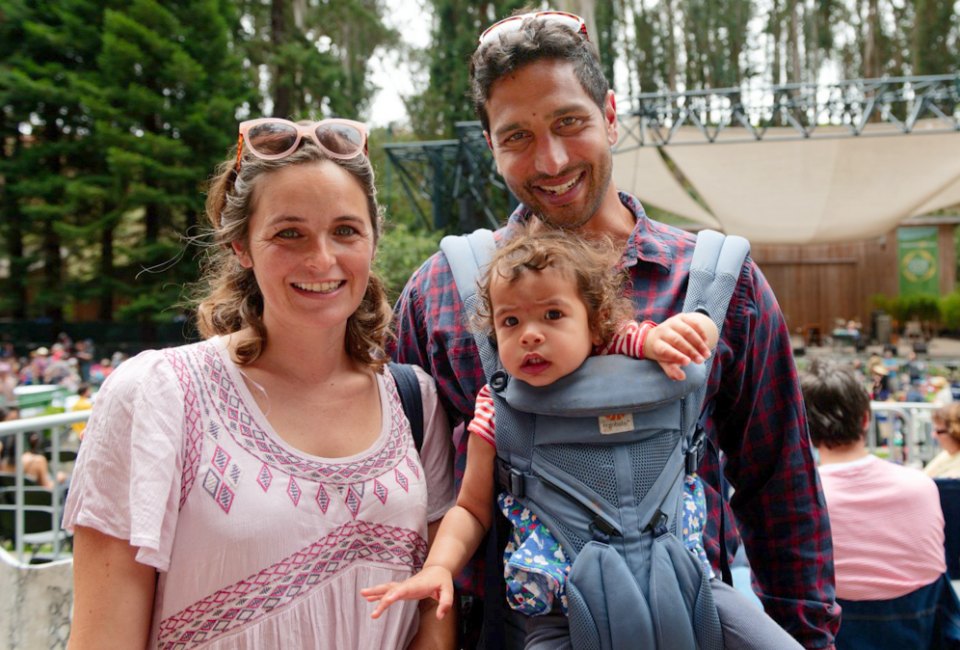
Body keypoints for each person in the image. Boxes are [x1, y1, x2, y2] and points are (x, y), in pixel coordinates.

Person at [392, 9, 839, 648]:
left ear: (610, 114)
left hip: (687, 621)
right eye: (516, 136)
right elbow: (405, 502)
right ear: (490, 143)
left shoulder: (716, 281)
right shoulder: (439, 293)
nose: (549, 160)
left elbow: (781, 489)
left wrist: (810, 637)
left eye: (569, 122)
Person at [63, 118, 456, 649]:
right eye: (288, 233)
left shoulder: (416, 403)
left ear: (372, 239)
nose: (322, 259)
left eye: (345, 230)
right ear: (241, 246)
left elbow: (433, 606)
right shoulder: (159, 396)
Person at [369, 228, 801, 648]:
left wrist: (682, 336)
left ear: (595, 326)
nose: (530, 334)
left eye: (552, 315)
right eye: (510, 321)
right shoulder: (496, 406)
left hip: (688, 585)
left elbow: (664, 339)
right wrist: (439, 566)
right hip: (562, 611)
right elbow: (470, 508)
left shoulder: (628, 344)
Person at [801, 358, 960, 649]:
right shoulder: (922, 486)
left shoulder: (802, 501)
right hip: (920, 633)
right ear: (866, 418)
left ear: (806, 429)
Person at [924, 403, 960, 479]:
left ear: (956, 433)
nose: (933, 435)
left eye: (938, 431)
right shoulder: (947, 453)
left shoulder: (955, 473)